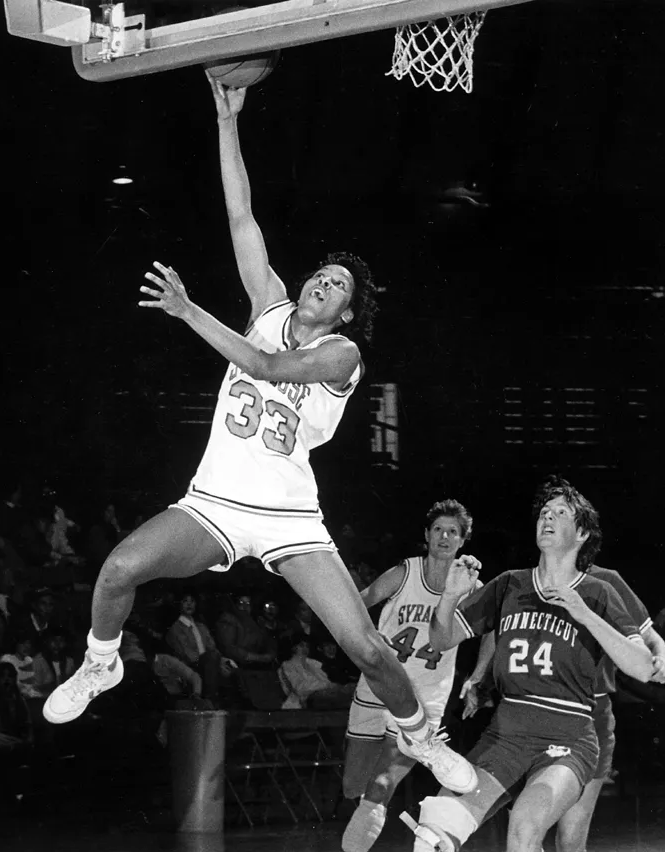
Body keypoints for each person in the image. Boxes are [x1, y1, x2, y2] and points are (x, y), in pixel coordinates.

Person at [40, 76, 475, 794]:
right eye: (321, 275)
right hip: (214, 500)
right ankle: (99, 662)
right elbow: (239, 210)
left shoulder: (342, 356)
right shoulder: (266, 302)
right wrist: (225, 118)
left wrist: (188, 312)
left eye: (338, 287)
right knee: (118, 569)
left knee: (366, 647)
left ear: (345, 314)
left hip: (288, 516)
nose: (322, 284)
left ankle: (422, 738)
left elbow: (269, 366)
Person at [379, 478, 654, 852]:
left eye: (560, 512)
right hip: (506, 732)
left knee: (531, 823)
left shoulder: (599, 588)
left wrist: (581, 610)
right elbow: (440, 639)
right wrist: (454, 593)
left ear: (583, 532)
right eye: (543, 511)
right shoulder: (508, 585)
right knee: (434, 837)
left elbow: (643, 665)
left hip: (572, 734)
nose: (547, 518)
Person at [461, 537, 665, 852]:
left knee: (571, 837)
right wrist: (480, 675)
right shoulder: (522, 585)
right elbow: (498, 629)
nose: (551, 523)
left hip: (587, 718)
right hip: (526, 715)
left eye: (562, 515)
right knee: (528, 819)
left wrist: (662, 654)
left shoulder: (605, 585)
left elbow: (649, 637)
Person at [320, 499, 486, 852]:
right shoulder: (404, 573)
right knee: (354, 786)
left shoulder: (469, 586)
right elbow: (360, 601)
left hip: (421, 702)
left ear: (463, 541)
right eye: (439, 530)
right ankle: (356, 835)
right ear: (427, 536)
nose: (445, 537)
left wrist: (479, 677)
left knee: (381, 784)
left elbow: (492, 632)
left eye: (454, 532)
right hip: (375, 688)